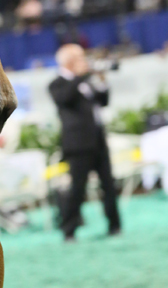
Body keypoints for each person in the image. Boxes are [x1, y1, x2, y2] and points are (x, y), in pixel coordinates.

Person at [48, 44, 121, 242]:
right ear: (69, 61)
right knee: (77, 189)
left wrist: (103, 80)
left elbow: (103, 101)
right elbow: (65, 99)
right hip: (78, 145)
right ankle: (69, 230)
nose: (85, 61)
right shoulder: (58, 83)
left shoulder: (85, 81)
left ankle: (115, 225)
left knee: (109, 185)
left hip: (98, 141)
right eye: (80, 57)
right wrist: (82, 75)